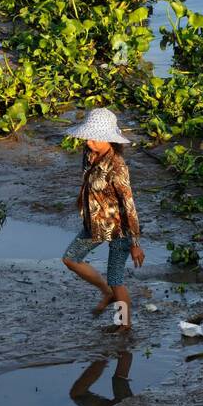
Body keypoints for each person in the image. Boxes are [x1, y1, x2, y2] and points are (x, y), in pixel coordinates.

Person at [60, 107, 145, 333]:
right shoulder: (88, 155)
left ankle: (124, 325)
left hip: (120, 229)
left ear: (108, 139)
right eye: (88, 137)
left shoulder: (117, 167)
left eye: (94, 138)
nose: (89, 142)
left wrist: (135, 243)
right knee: (70, 259)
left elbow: (129, 205)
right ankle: (105, 292)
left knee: (116, 279)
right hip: (95, 223)